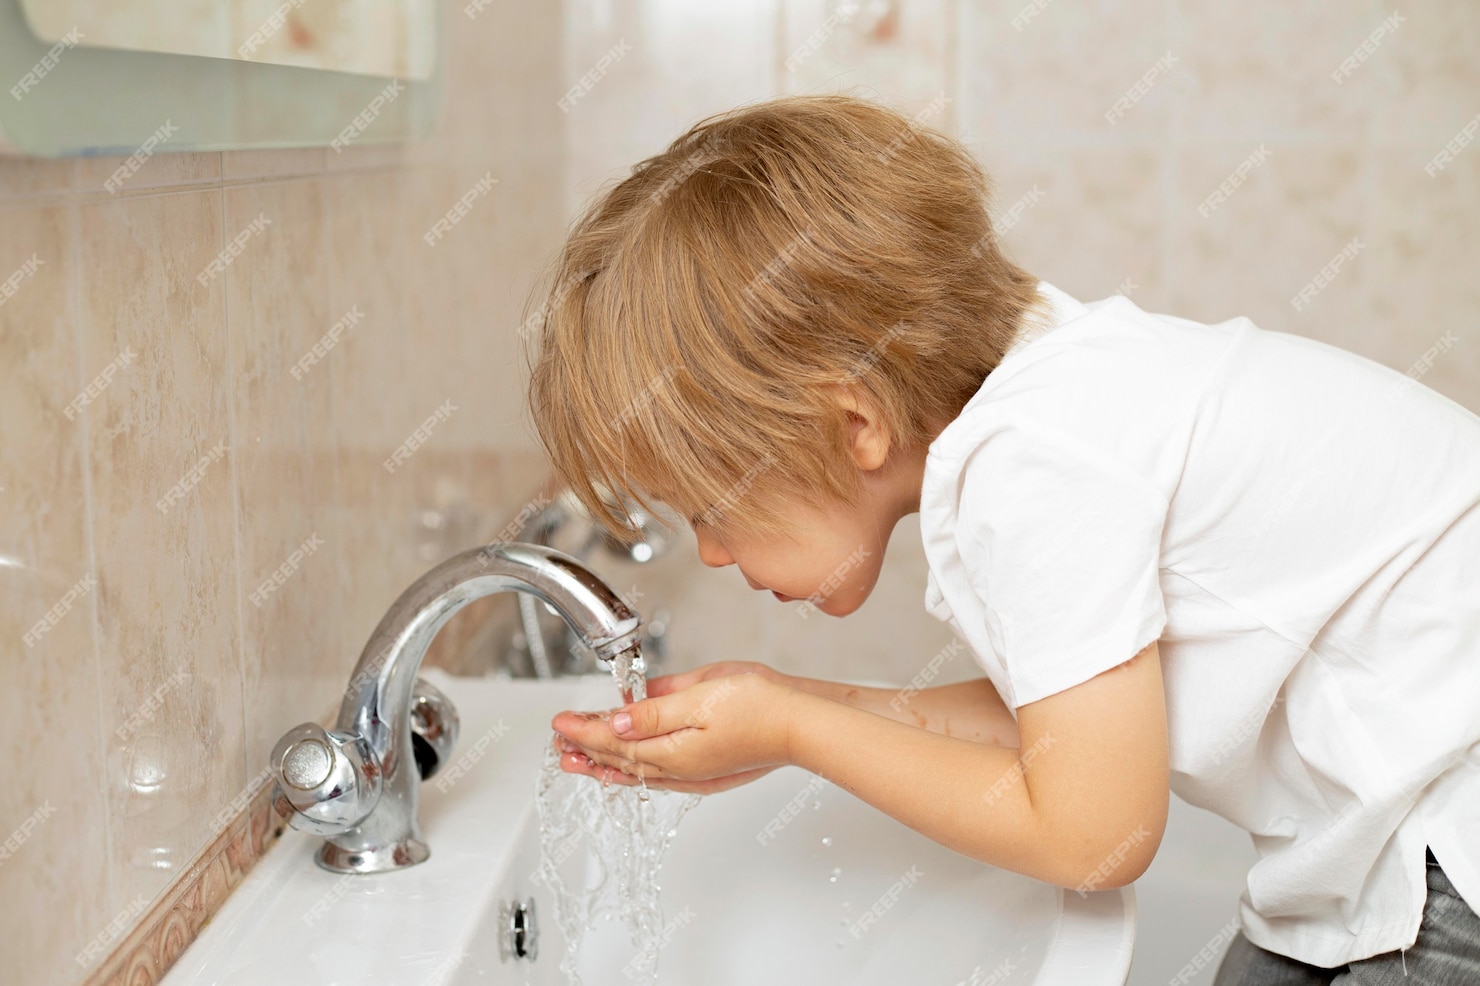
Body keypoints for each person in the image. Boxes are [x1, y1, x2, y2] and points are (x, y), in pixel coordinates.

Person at [527, 94, 1480, 984]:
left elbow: (1092, 836)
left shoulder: (1035, 466)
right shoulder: (1045, 390)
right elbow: (1069, 728)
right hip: (1400, 832)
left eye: (712, 507)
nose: (715, 554)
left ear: (855, 422)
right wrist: (790, 706)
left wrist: (795, 730)